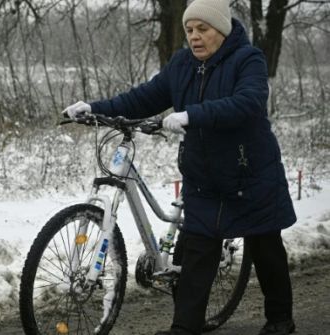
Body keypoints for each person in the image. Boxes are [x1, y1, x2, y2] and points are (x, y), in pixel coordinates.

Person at [62, 0, 297, 334]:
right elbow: (143, 98)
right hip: (203, 176)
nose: (194, 37)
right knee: (198, 251)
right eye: (189, 30)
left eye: (203, 29)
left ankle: (280, 319)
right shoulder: (182, 64)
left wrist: (193, 115)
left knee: (265, 246)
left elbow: (249, 102)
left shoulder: (248, 60)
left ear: (222, 30)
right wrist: (94, 108)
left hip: (250, 173)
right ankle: (184, 327)